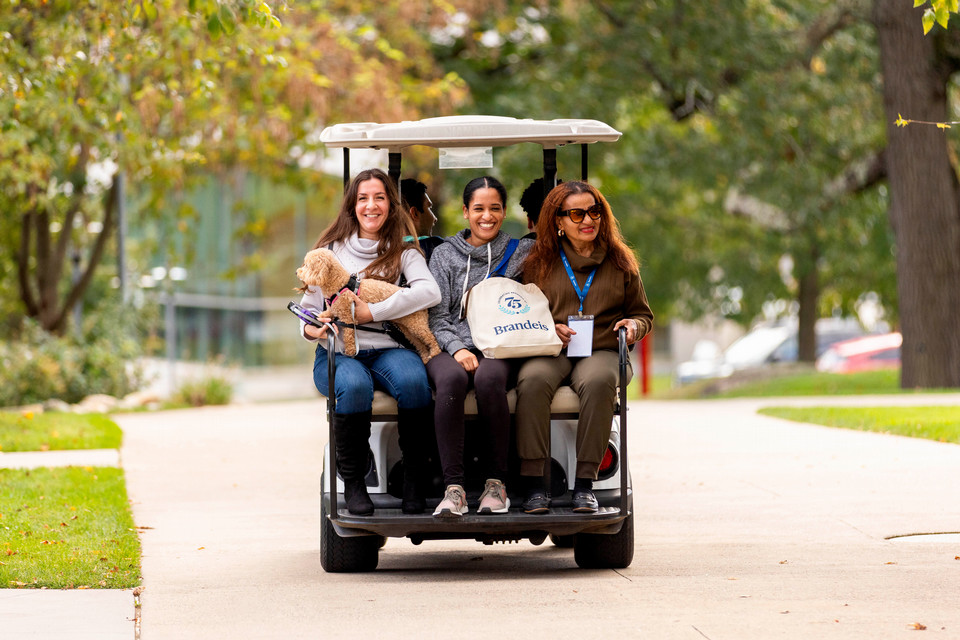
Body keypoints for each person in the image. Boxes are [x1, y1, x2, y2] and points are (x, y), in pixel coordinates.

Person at [297, 168, 442, 516]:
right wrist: (312, 329)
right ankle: (355, 483)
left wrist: (372, 312)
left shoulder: (403, 252)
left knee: (414, 382)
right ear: (352, 206)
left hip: (387, 350)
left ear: (391, 206)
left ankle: (412, 480)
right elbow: (308, 312)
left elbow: (429, 291)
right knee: (354, 386)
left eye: (379, 198)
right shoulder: (330, 251)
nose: (371, 206)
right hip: (340, 353)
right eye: (363, 198)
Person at [515, 181, 653, 514]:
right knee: (531, 380)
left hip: (602, 348)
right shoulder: (538, 262)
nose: (587, 220)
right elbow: (521, 312)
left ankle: (585, 484)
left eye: (594, 212)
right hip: (553, 347)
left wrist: (634, 327)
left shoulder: (621, 261)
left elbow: (642, 314)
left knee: (599, 381)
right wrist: (550, 327)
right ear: (558, 221)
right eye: (576, 214)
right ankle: (535, 484)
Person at [426, 176, 533, 517]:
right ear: (465, 212)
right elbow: (437, 316)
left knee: (489, 380)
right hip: (450, 346)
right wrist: (457, 348)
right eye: (479, 209)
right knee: (450, 380)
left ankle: (496, 485)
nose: (487, 216)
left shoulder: (522, 253)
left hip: (500, 346)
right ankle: (453, 489)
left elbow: (536, 303)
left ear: (504, 212)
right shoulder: (444, 256)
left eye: (495, 208)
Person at [400, 178, 444, 261]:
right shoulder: (437, 248)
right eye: (429, 207)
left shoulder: (381, 252)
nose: (435, 218)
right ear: (415, 213)